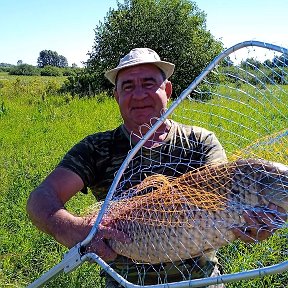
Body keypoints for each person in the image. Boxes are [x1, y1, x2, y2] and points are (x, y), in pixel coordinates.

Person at [26, 48, 284, 287]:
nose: (139, 94)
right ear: (116, 96)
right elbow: (41, 199)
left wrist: (254, 228)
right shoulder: (96, 148)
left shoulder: (200, 141)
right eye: (128, 86)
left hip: (199, 281)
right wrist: (72, 227)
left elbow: (230, 205)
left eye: (149, 83)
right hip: (124, 282)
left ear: (168, 89)